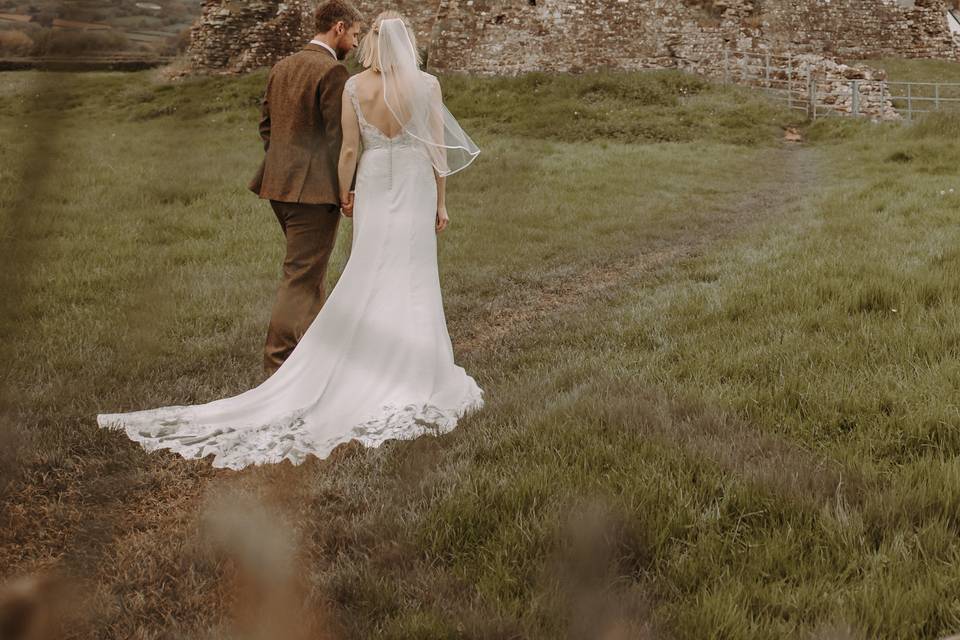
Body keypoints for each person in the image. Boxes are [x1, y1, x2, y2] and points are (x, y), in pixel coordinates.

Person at [96, 12, 483, 471]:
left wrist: (346, 193)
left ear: (373, 45)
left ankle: (347, 359)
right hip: (416, 184)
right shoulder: (428, 86)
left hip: (374, 184)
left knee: (368, 269)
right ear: (407, 43)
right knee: (413, 273)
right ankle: (412, 366)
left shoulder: (355, 87)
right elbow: (437, 150)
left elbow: (350, 150)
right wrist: (441, 203)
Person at [248, 0, 362, 377]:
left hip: (278, 187)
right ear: (340, 28)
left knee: (309, 277)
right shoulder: (333, 71)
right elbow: (337, 140)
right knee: (300, 278)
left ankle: (312, 360)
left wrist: (283, 165)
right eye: (356, 35)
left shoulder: (282, 66)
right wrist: (347, 189)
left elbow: (266, 126)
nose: (357, 44)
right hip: (312, 195)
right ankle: (277, 366)